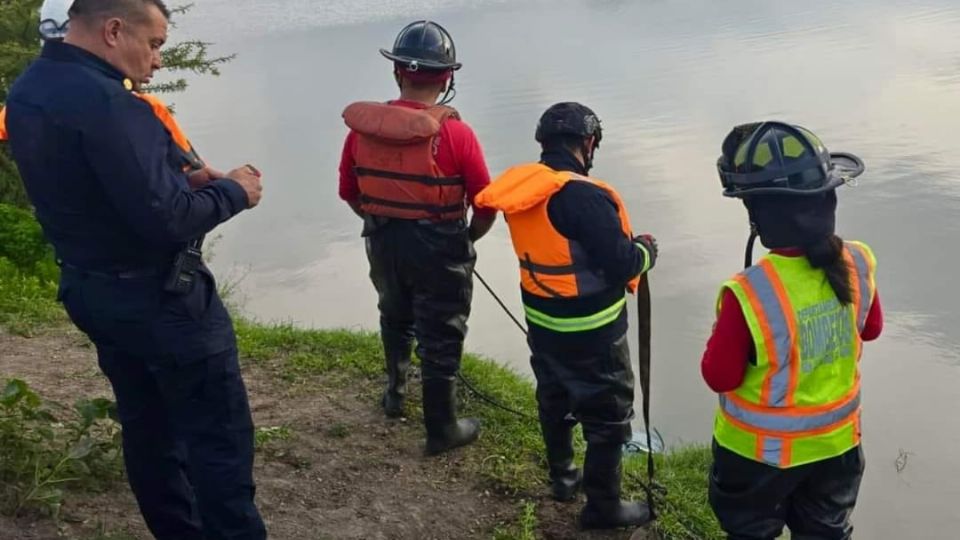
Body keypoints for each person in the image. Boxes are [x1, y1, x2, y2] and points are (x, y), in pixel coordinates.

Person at [3, 1, 267, 539]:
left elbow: (97, 187)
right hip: (162, 303)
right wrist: (234, 191)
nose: (159, 60)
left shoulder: (30, 89)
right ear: (114, 29)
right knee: (219, 442)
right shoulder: (111, 105)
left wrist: (181, 182)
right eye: (155, 44)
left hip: (93, 290)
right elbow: (168, 220)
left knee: (149, 431)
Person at [475, 102, 658, 530]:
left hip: (544, 324)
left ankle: (562, 476)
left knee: (554, 398)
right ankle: (604, 508)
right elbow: (622, 262)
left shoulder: (526, 191)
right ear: (588, 143)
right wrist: (648, 250)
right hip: (594, 333)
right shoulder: (585, 197)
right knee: (609, 416)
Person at [703, 121, 883, 540]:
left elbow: (719, 376)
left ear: (757, 214)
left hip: (756, 459)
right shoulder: (857, 261)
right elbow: (871, 329)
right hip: (836, 449)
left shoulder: (749, 292)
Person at [338, 20, 497, 454]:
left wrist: (382, 219)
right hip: (441, 246)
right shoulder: (457, 134)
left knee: (394, 313)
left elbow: (348, 193)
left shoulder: (361, 131)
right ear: (447, 78)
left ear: (397, 73)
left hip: (384, 242)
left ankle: (395, 393)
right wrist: (467, 238)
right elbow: (486, 204)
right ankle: (442, 428)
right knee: (442, 332)